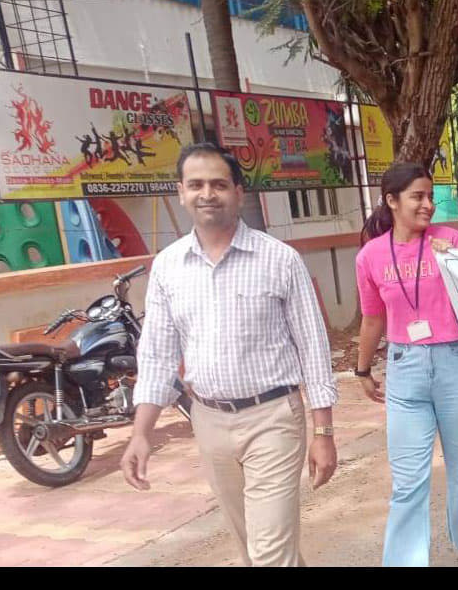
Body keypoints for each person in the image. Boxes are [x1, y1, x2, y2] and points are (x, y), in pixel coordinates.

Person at [121, 143, 337, 567]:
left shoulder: (279, 260)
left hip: (273, 418)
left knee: (269, 552)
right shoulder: (167, 267)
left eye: (218, 184)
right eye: (196, 185)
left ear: (238, 192)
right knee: (251, 547)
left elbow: (313, 348)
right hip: (208, 420)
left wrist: (324, 432)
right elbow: (158, 356)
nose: (207, 194)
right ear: (181, 193)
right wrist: (141, 433)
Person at [355, 162, 458, 567]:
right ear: (392, 201)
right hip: (405, 367)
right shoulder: (370, 256)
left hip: (457, 364)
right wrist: (362, 369)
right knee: (408, 479)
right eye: (418, 196)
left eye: (430, 196)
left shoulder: (450, 241)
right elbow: (373, 318)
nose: (428, 204)